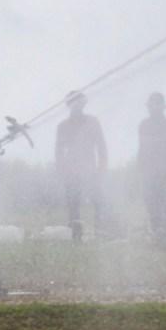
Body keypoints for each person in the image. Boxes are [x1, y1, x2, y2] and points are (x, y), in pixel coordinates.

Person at [55, 91, 107, 242]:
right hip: (71, 172)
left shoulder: (93, 122)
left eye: (80, 102)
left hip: (91, 170)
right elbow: (59, 151)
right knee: (73, 204)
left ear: (84, 104)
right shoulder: (62, 126)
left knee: (98, 202)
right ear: (69, 105)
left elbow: (101, 146)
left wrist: (101, 169)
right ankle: (75, 236)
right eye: (74, 103)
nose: (77, 106)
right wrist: (62, 171)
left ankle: (100, 233)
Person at [137, 92, 166, 246]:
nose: (152, 109)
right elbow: (141, 148)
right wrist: (140, 169)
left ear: (162, 107)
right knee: (151, 204)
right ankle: (158, 236)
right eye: (150, 105)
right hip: (149, 172)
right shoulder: (144, 125)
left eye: (155, 105)